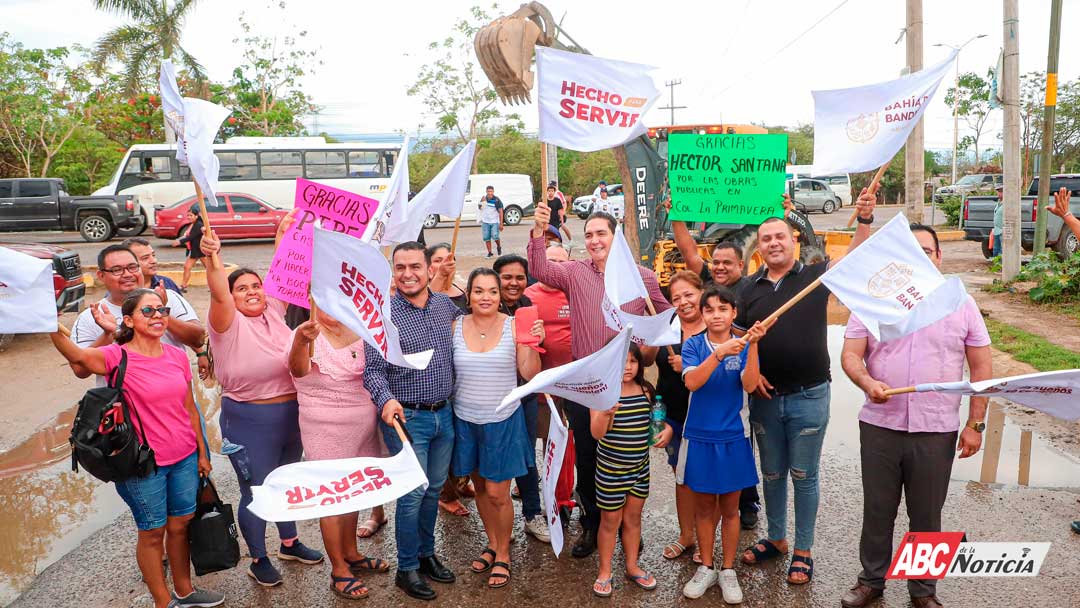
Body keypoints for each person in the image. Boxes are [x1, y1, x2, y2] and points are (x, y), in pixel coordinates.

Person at [839, 222, 992, 608]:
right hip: (880, 425)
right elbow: (851, 355)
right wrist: (865, 380)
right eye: (912, 251)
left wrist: (975, 425)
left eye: (927, 250)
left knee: (927, 515)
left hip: (935, 429)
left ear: (938, 257)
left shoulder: (961, 303)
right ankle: (870, 581)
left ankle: (923, 591)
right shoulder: (874, 301)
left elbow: (981, 368)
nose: (921, 257)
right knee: (877, 510)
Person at [50, 288, 223, 608]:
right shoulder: (116, 356)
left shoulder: (175, 356)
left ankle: (184, 592)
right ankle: (162, 601)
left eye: (162, 310)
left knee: (180, 525)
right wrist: (46, 324)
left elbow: (189, 408)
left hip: (184, 457)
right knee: (153, 532)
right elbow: (77, 357)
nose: (158, 316)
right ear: (128, 320)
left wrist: (201, 453)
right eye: (148, 311)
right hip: (142, 464)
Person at [738, 188, 877, 584]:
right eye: (766, 239)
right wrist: (751, 369)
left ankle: (803, 549)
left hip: (810, 395)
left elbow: (856, 258)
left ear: (793, 239)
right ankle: (777, 538)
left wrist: (864, 219)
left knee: (804, 474)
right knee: (772, 473)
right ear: (759, 248)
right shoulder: (748, 289)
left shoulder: (815, 277)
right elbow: (738, 340)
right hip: (765, 399)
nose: (773, 243)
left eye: (780, 236)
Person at [527, 208, 671, 558]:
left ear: (615, 236)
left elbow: (666, 318)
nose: (594, 240)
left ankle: (626, 525)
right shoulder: (576, 272)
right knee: (589, 456)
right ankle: (593, 523)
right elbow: (541, 269)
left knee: (630, 454)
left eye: (600, 233)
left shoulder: (642, 278)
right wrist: (538, 230)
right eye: (588, 234)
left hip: (628, 383)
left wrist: (652, 342)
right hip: (587, 382)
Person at [200, 228, 324, 587]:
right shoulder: (226, 322)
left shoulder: (272, 311)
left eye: (256, 286)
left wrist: (287, 236)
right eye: (242, 288)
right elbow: (218, 291)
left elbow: (288, 270)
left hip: (290, 416)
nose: (252, 292)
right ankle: (259, 557)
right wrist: (212, 259)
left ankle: (289, 542)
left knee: (286, 482)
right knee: (256, 490)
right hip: (249, 418)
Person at [363, 241, 462, 601]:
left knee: (434, 490)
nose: (408, 274)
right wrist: (386, 400)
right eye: (400, 267)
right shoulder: (381, 314)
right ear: (393, 271)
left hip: (444, 416)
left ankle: (425, 554)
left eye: (415, 267)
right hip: (406, 418)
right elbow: (372, 371)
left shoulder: (444, 307)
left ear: (429, 269)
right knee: (412, 495)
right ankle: (406, 569)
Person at [288, 310, 390, 600]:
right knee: (331, 497)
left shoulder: (360, 327)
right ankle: (339, 570)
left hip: (363, 424)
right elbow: (297, 370)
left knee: (354, 491)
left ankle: (351, 553)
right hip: (325, 428)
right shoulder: (304, 332)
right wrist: (299, 342)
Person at [454, 268, 544, 588]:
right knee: (479, 488)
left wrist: (533, 341)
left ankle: (504, 553)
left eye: (492, 291)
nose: (486, 297)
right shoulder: (455, 325)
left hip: (503, 421)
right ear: (468, 295)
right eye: (478, 291)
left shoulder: (513, 325)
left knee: (498, 492)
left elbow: (529, 373)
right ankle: (492, 543)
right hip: (465, 419)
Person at [680, 286, 770, 602]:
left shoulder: (745, 345)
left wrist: (753, 346)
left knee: (731, 509)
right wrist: (719, 354)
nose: (716, 315)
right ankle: (706, 567)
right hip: (701, 436)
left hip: (734, 435)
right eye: (710, 309)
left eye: (723, 308)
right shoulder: (692, 345)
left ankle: (728, 570)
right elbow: (692, 382)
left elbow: (748, 384)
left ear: (733, 313)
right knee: (704, 509)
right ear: (703, 314)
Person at [588, 344, 671, 598]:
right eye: (622, 361)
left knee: (633, 519)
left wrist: (667, 431)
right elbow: (597, 433)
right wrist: (605, 413)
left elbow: (656, 423)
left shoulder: (646, 391)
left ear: (640, 365)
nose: (627, 367)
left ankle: (632, 565)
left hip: (639, 468)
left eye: (633, 361)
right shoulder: (602, 393)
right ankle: (604, 571)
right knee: (610, 522)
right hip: (611, 470)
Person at [71, 245, 205, 384]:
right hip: (123, 403)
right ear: (101, 275)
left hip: (177, 400)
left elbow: (198, 339)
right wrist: (107, 334)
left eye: (133, 267)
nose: (128, 274)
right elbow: (79, 370)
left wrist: (161, 312)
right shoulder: (92, 316)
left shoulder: (168, 297)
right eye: (117, 270)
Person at [493, 254, 550, 543]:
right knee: (494, 459)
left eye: (519, 277)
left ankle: (531, 514)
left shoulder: (528, 306)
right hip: (492, 396)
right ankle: (497, 525)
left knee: (527, 455)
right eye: (507, 277)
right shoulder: (486, 304)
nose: (514, 283)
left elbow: (535, 352)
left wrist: (539, 339)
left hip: (524, 392)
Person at [657, 271, 708, 564]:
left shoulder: (715, 327)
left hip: (705, 417)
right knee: (681, 478)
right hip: (674, 418)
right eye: (676, 298)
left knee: (704, 482)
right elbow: (651, 364)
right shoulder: (668, 328)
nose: (683, 302)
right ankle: (686, 535)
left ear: (701, 292)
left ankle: (704, 541)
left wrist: (688, 366)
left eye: (689, 294)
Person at [424, 242, 475, 517]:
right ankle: (446, 493)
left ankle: (460, 482)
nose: (446, 263)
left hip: (461, 371)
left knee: (460, 436)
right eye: (439, 259)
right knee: (443, 439)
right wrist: (439, 279)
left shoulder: (461, 289)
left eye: (449, 258)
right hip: (437, 372)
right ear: (429, 265)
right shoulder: (429, 292)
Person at [523, 244, 572, 370]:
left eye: (562, 263)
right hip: (539, 373)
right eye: (551, 262)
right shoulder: (526, 296)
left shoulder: (577, 293)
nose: (556, 267)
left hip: (574, 372)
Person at [172, 207, 205, 292]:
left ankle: (216, 286)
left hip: (201, 251)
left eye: (191, 215)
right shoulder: (193, 224)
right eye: (188, 215)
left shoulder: (198, 225)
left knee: (210, 269)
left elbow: (191, 237)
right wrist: (179, 239)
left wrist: (180, 242)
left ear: (196, 216)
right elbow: (187, 235)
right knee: (187, 267)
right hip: (195, 250)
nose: (189, 217)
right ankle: (183, 286)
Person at [479, 185, 504, 258]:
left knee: (495, 236)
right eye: (488, 191)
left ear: (493, 192)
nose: (490, 193)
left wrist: (501, 224)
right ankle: (490, 253)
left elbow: (501, 211)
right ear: (486, 191)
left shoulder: (496, 200)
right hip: (485, 221)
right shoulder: (484, 198)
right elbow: (480, 208)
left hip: (494, 221)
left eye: (491, 191)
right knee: (486, 237)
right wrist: (482, 202)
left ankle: (498, 247)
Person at [991, 183, 1004, 258]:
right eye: (998, 191)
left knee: (1002, 251)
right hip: (996, 230)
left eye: (1001, 191)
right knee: (995, 251)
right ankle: (997, 267)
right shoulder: (999, 203)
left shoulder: (1008, 204)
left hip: (1003, 231)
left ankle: (1002, 267)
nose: (999, 193)